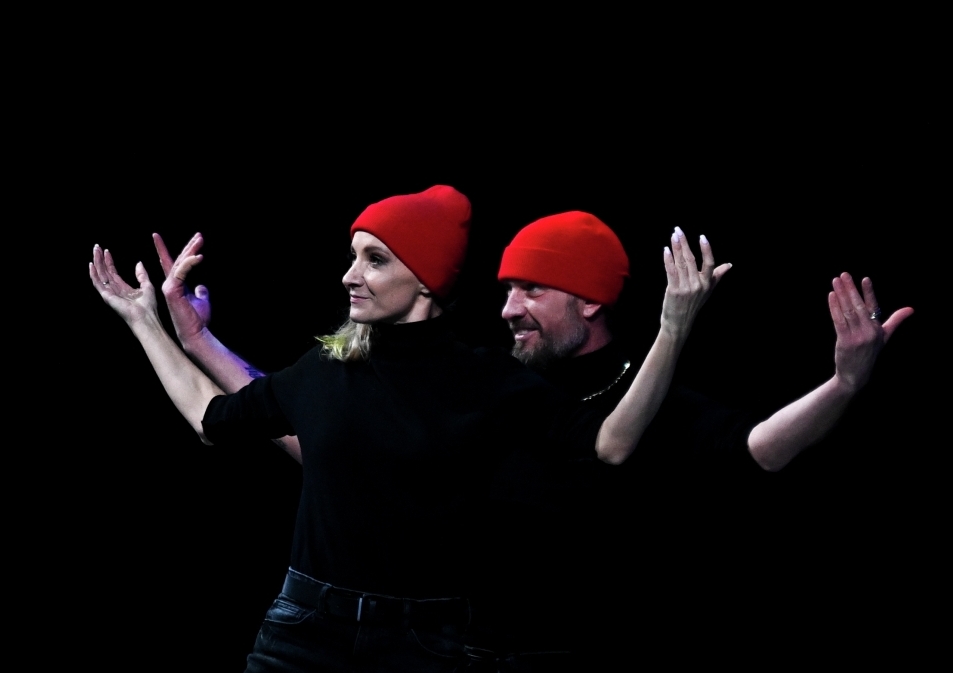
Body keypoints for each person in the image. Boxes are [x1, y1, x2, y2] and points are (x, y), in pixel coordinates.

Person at [90, 187, 724, 672]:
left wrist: (673, 328)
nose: (350, 275)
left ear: (424, 279)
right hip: (304, 629)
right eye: (353, 257)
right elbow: (211, 419)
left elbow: (612, 443)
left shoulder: (487, 381)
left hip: (426, 643)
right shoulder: (330, 367)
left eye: (374, 260)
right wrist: (147, 323)